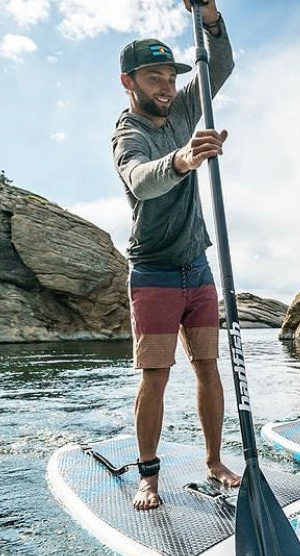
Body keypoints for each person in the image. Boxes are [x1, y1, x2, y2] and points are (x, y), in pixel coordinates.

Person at [112, 0, 238, 510]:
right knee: (157, 376)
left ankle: (214, 461)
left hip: (198, 265)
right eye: (154, 78)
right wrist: (183, 158)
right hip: (154, 272)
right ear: (129, 83)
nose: (166, 87)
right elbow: (140, 181)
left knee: (209, 367)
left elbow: (221, 63)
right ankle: (149, 475)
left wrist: (209, 14)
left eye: (170, 77)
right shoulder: (129, 132)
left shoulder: (184, 108)